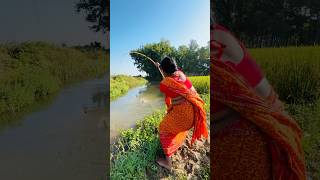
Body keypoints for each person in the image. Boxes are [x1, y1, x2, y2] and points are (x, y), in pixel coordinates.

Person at [211, 17, 306, 179]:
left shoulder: (214, 47)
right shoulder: (221, 34)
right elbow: (263, 95)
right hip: (270, 135)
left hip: (241, 152)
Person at [154, 56, 208, 169]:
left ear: (164, 70)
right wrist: (161, 68)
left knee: (163, 127)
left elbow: (166, 83)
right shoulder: (180, 74)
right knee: (171, 118)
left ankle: (168, 163)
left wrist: (161, 70)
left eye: (163, 70)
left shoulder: (166, 83)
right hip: (195, 115)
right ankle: (179, 139)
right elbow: (172, 81)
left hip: (186, 119)